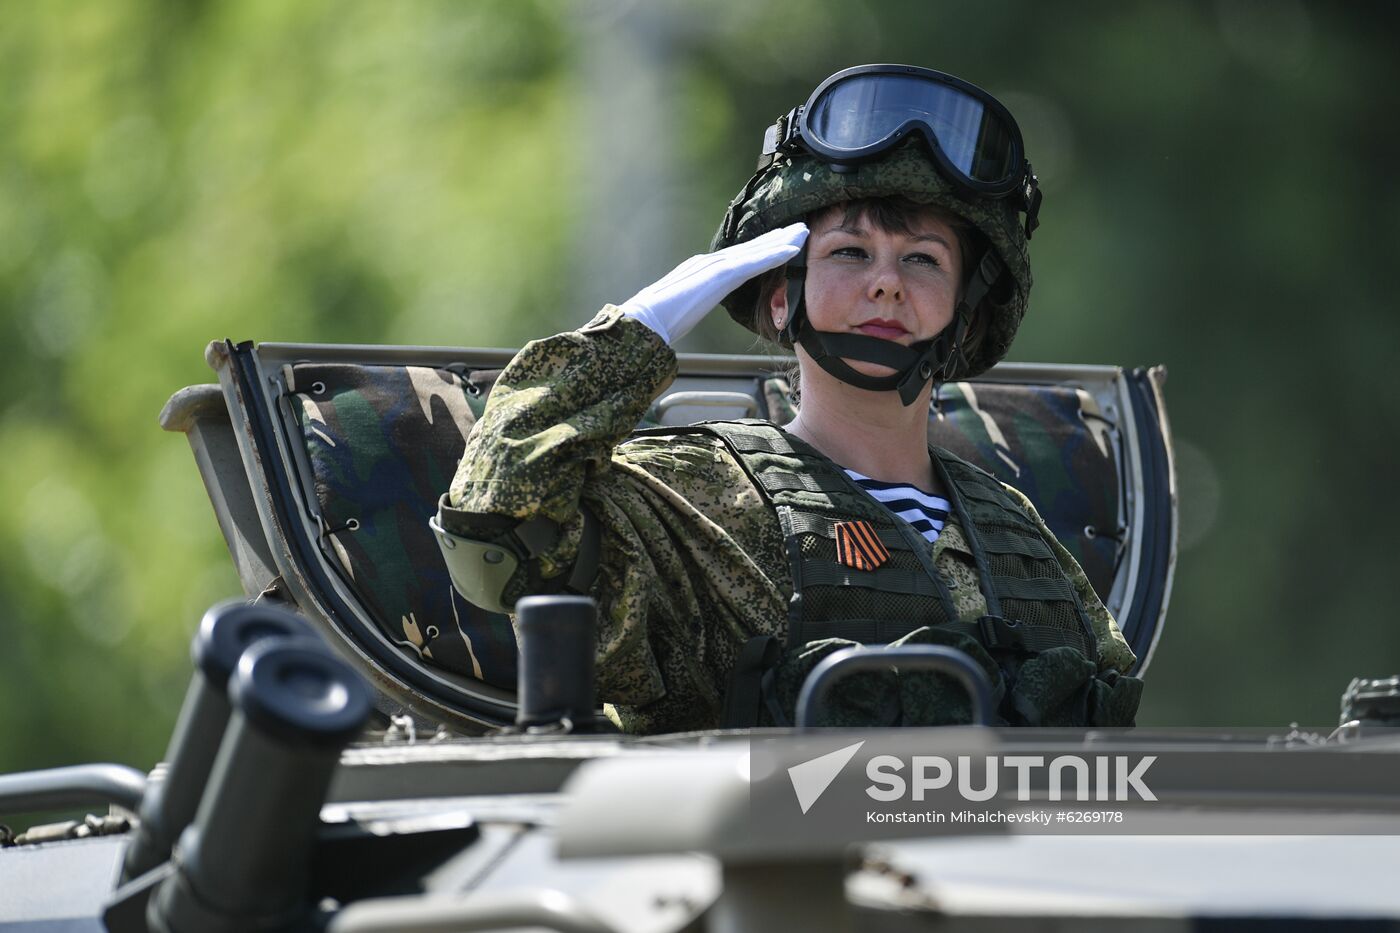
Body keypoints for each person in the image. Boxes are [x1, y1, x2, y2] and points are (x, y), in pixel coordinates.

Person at [437, 64, 1142, 732]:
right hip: (768, 856)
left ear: (965, 312)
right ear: (780, 296)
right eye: (850, 253)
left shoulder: (1013, 525)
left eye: (923, 259)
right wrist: (637, 332)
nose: (886, 284)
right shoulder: (692, 498)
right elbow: (497, 521)